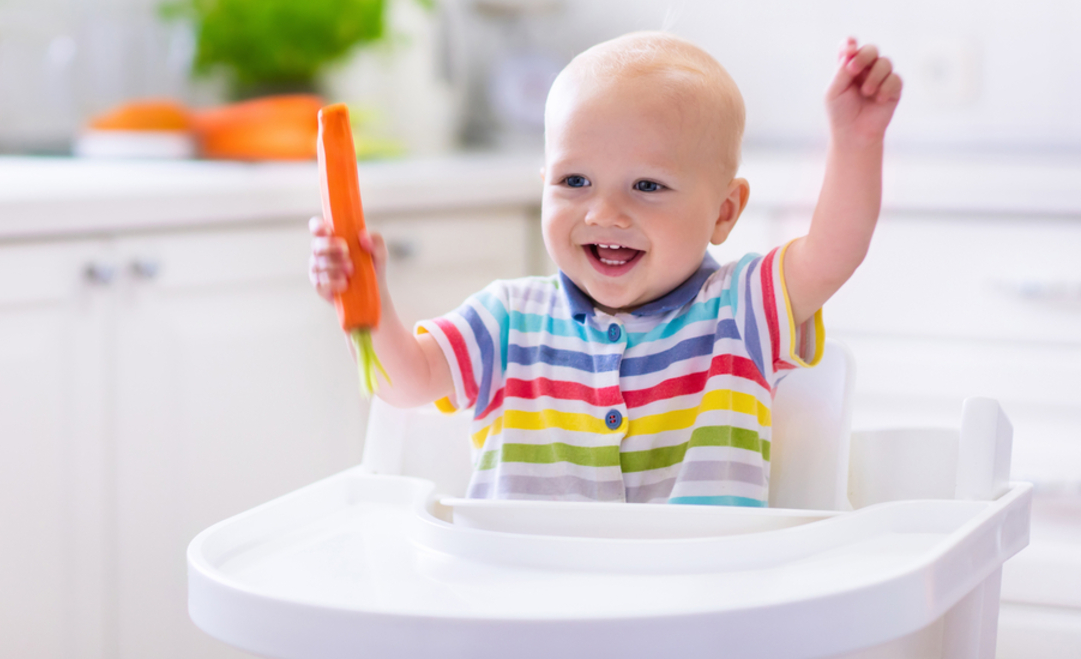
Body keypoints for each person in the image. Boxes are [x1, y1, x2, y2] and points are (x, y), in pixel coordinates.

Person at [310, 31, 902, 505]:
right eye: (574, 181)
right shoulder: (507, 317)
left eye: (647, 185)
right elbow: (405, 383)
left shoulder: (741, 310)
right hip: (521, 608)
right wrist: (366, 302)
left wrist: (855, 142)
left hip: (691, 614)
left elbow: (834, 250)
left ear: (724, 212)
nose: (604, 212)